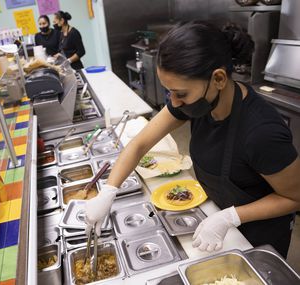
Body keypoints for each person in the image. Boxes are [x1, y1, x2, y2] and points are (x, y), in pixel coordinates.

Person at [85, 21, 300, 258]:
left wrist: (231, 217)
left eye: (181, 94)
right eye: (169, 92)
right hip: (218, 220)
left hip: (260, 234)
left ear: (218, 79)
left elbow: (294, 197)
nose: (174, 103)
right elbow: (139, 144)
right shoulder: (199, 103)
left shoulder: (261, 131)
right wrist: (108, 191)